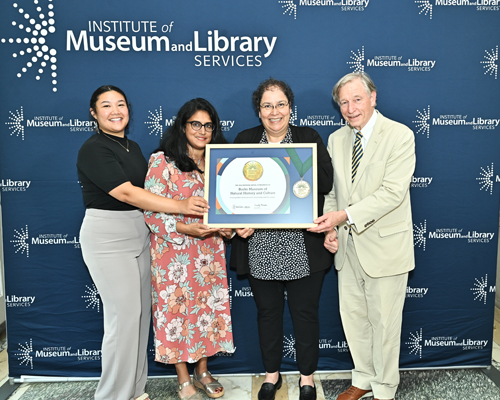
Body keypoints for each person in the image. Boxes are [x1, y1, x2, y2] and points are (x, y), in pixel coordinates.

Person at [77, 85, 209, 400]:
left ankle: (135, 391)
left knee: (138, 318)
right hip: (108, 235)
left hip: (140, 232)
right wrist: (181, 207)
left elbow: (148, 197)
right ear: (94, 114)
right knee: (123, 320)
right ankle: (110, 395)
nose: (115, 110)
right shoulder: (93, 148)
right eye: (106, 105)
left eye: (120, 104)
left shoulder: (132, 148)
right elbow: (126, 193)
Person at [308, 72, 415, 400]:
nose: (351, 108)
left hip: (385, 247)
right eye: (344, 102)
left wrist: (345, 216)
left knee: (384, 326)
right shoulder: (337, 139)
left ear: (373, 97)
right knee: (355, 318)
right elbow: (334, 192)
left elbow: (392, 193)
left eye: (357, 99)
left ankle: (384, 389)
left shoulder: (399, 135)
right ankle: (364, 378)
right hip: (347, 247)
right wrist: (331, 226)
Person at [231, 78, 334, 400]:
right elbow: (230, 191)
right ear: (258, 110)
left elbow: (327, 182)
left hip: (302, 245)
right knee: (267, 314)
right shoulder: (245, 140)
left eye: (280, 104)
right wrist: (238, 223)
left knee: (305, 314)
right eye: (267, 105)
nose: (274, 112)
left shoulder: (308, 138)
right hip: (260, 245)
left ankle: (307, 378)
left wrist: (287, 166)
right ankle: (271, 375)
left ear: (290, 108)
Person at [144, 98, 235, 400]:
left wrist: (229, 226)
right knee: (177, 314)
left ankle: (203, 369)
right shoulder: (162, 161)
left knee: (207, 311)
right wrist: (185, 228)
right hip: (174, 255)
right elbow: (151, 213)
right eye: (196, 124)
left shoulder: (219, 162)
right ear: (183, 126)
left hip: (209, 253)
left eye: (208, 125)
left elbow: (227, 209)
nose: (202, 130)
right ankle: (183, 376)